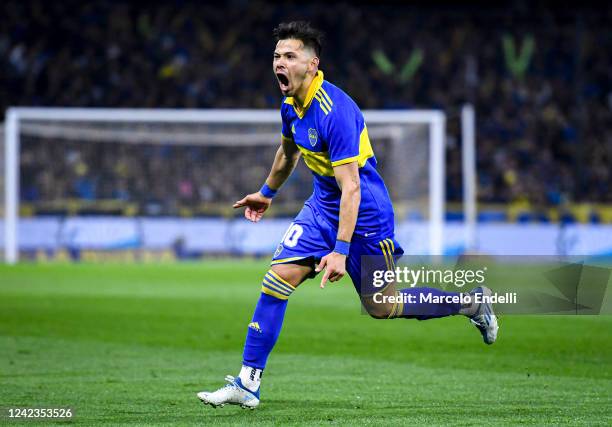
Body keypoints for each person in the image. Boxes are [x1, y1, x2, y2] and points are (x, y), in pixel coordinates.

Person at [197, 21, 498, 410]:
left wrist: (340, 250)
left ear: (312, 63)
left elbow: (352, 187)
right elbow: (288, 152)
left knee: (382, 306)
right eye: (276, 56)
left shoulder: (334, 111)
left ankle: (471, 304)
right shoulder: (290, 106)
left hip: (367, 217)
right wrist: (267, 192)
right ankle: (247, 383)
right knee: (276, 281)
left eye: (290, 56)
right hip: (322, 207)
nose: (280, 63)